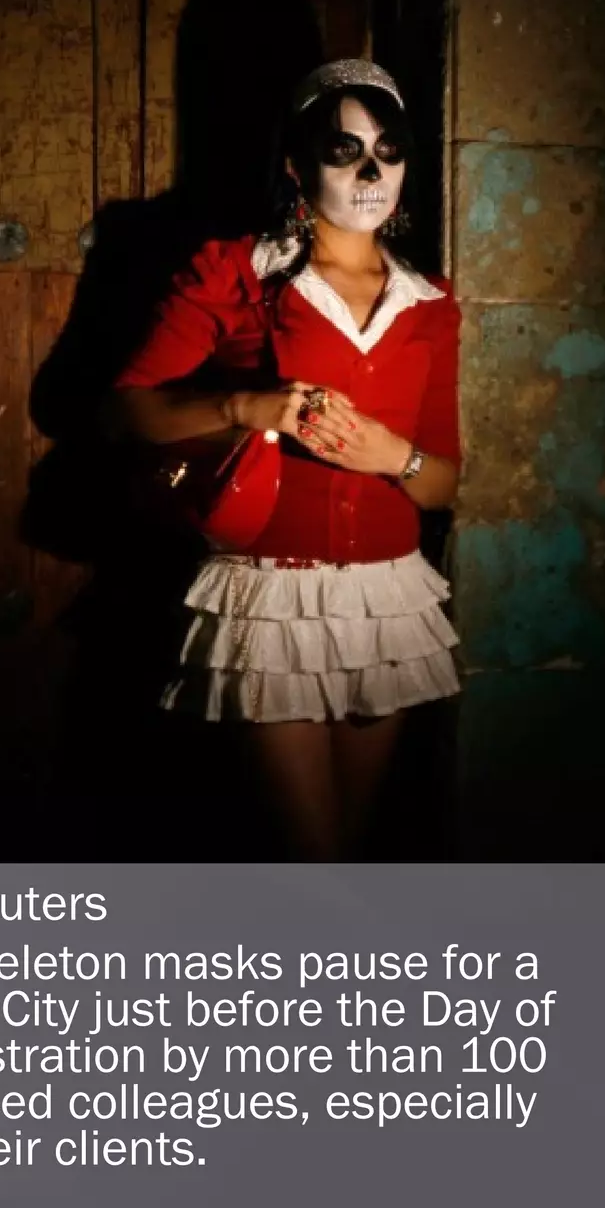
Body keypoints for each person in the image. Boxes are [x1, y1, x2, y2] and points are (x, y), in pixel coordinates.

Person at [112, 59, 463, 862]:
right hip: (272, 597)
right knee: (309, 856)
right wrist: (247, 406)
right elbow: (125, 408)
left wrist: (392, 455)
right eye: (345, 151)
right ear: (298, 167)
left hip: (387, 602)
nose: (373, 172)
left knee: (355, 845)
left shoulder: (431, 302)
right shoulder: (238, 270)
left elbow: (444, 483)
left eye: (390, 149)